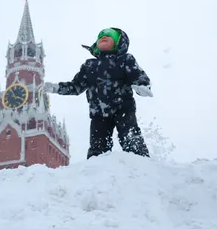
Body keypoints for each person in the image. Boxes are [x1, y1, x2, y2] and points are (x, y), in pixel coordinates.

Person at [42, 27, 152, 159]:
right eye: (100, 36)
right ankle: (96, 170)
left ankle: (141, 162)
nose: (103, 37)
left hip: (123, 108)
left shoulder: (125, 59)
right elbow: (76, 86)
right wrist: (56, 88)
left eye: (109, 35)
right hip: (98, 113)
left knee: (130, 137)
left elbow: (137, 74)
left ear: (119, 43)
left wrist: (142, 85)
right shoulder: (89, 66)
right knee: (98, 146)